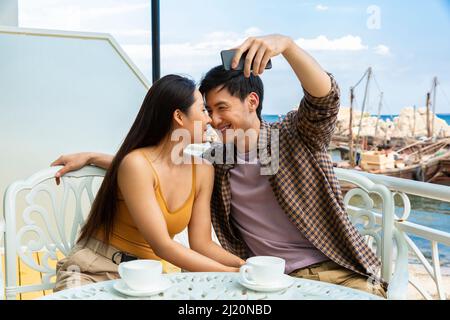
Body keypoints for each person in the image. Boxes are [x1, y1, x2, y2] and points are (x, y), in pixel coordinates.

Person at [52, 34, 386, 297]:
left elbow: (324, 100)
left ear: (251, 102)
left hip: (335, 270)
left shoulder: (292, 138)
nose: (213, 120)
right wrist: (95, 157)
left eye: (221, 108)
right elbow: (156, 168)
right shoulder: (218, 162)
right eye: (207, 110)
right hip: (267, 279)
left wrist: (286, 45)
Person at [53, 74, 245, 292]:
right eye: (203, 110)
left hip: (148, 279)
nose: (210, 119)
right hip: (94, 271)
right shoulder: (135, 165)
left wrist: (242, 265)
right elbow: (162, 245)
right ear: (179, 117)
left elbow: (202, 244)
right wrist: (231, 274)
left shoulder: (203, 170)